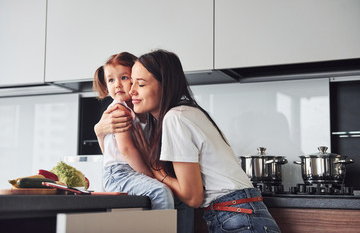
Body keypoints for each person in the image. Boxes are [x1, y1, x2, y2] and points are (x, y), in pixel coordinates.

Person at [127, 49, 281, 233]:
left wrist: (155, 169)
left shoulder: (175, 118)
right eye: (132, 82)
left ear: (165, 85)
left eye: (141, 84)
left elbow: (193, 197)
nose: (131, 91)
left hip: (237, 217)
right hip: (242, 213)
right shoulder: (189, 112)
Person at [92, 52, 174, 210]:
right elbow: (127, 150)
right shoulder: (120, 110)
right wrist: (151, 176)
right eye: (111, 80)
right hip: (118, 174)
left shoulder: (143, 111)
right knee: (161, 192)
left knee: (178, 198)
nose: (117, 85)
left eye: (124, 77)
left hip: (132, 170)